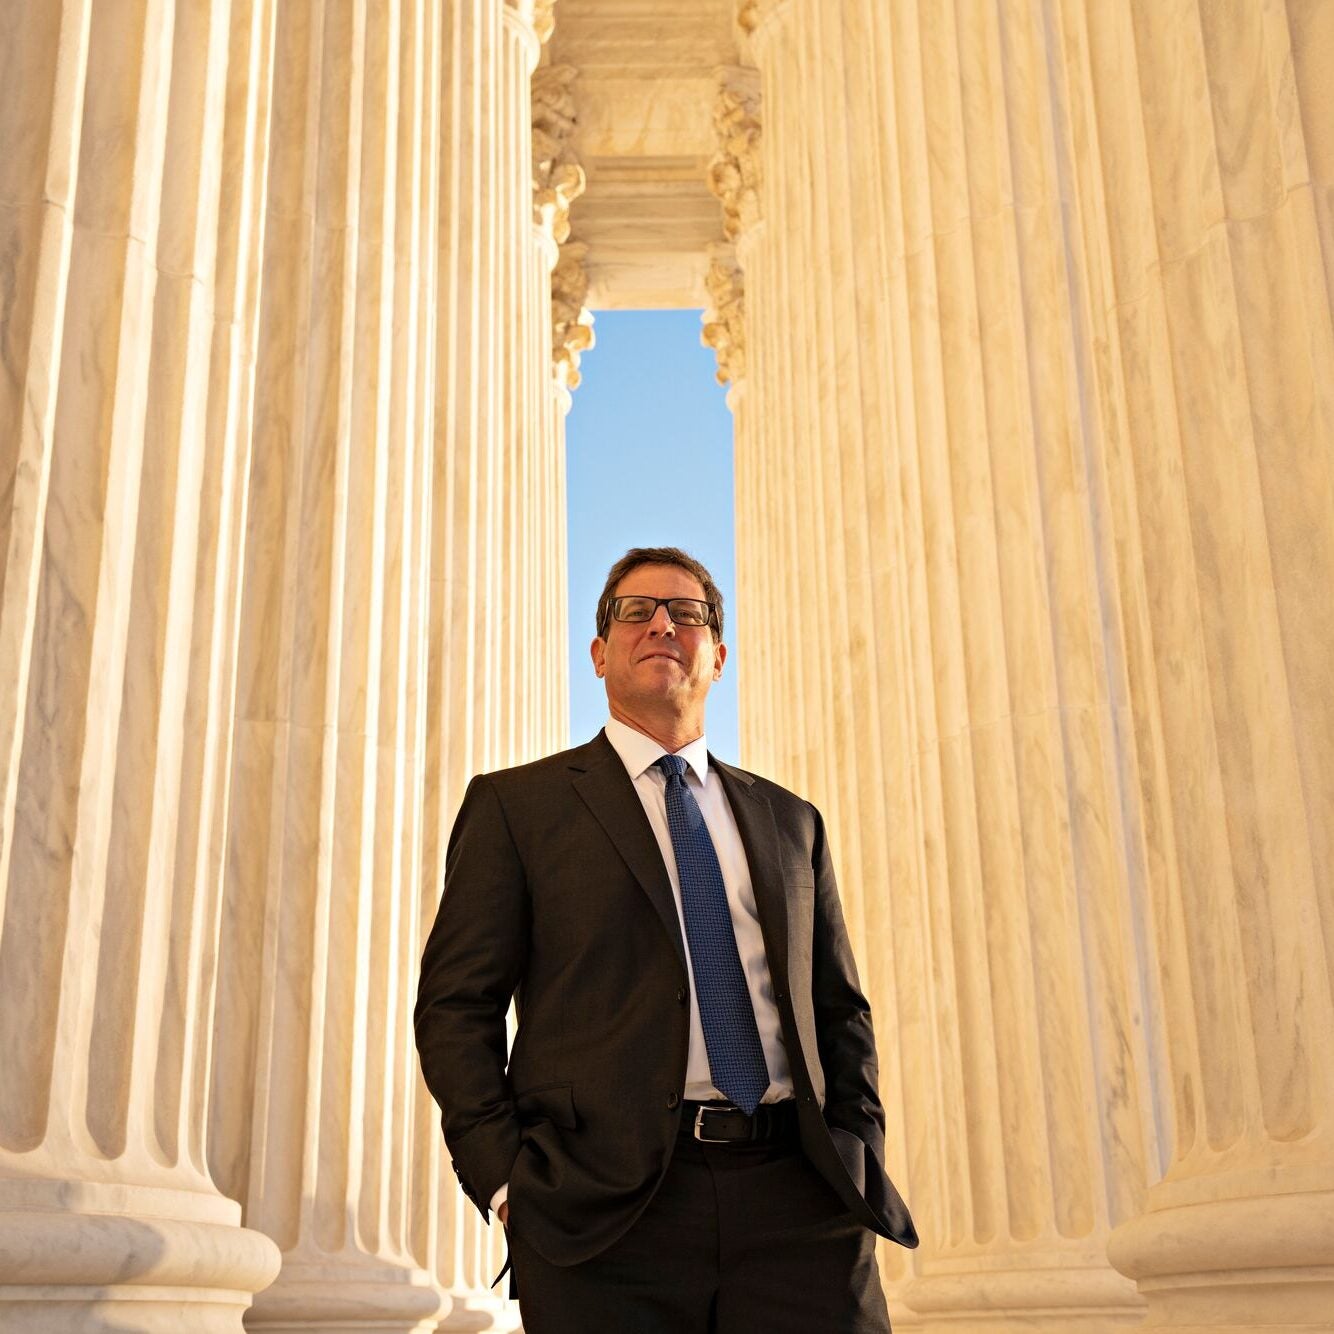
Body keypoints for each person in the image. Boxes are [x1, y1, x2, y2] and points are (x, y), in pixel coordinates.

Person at [415, 546, 917, 1333]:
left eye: (687, 614)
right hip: (603, 1214)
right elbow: (455, 1006)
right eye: (635, 611)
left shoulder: (792, 821)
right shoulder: (519, 806)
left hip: (801, 1202)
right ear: (600, 652)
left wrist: (857, 1147)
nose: (662, 625)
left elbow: (839, 1007)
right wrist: (507, 1183)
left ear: (717, 656)